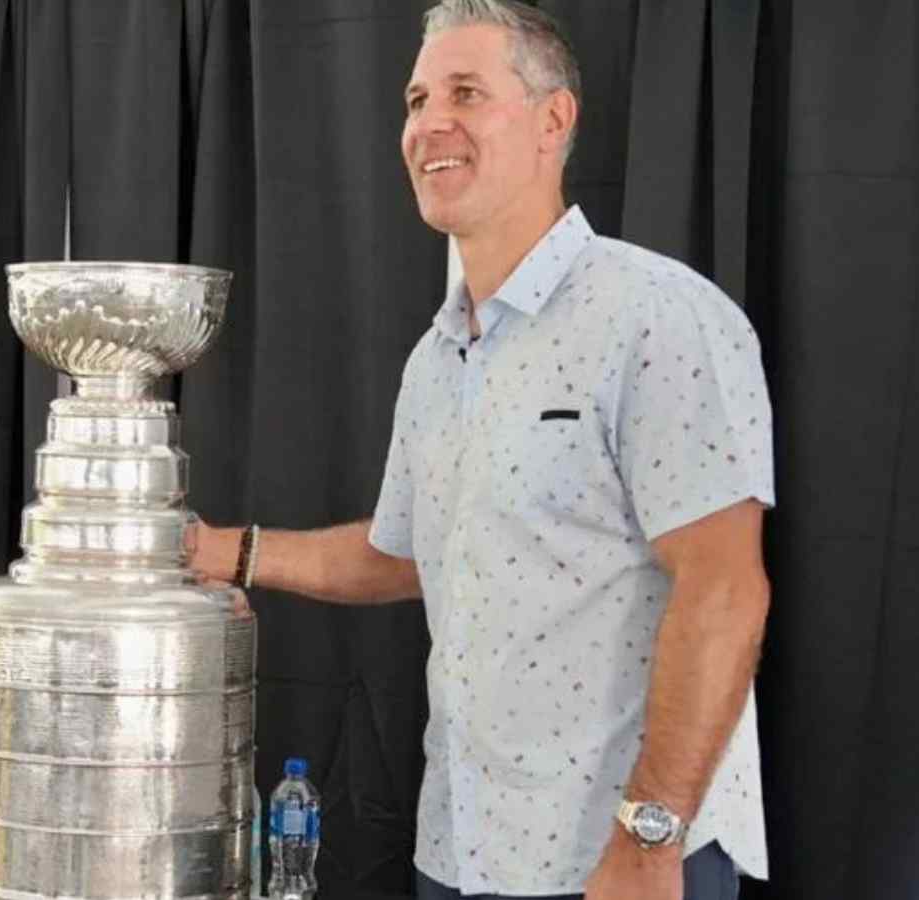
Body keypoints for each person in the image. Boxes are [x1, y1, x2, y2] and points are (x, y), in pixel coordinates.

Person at [193, 2, 772, 899]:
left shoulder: (658, 315)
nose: (430, 124)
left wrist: (651, 837)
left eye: (467, 93)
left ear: (554, 121)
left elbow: (725, 588)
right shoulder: (436, 359)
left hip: (619, 859)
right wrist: (222, 554)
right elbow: (401, 554)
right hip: (462, 851)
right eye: (417, 99)